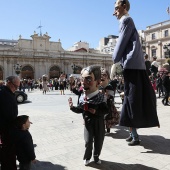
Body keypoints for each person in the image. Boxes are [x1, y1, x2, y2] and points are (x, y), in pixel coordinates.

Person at [112, 0, 160, 146]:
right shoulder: (128, 20)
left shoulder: (125, 20)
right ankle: (133, 133)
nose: (114, 12)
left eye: (116, 8)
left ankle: (134, 135)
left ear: (124, 7)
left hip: (132, 66)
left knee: (131, 100)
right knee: (130, 99)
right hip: (134, 66)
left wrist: (115, 58)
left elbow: (121, 42)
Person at [68, 65, 109, 166]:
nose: (84, 82)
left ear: (98, 82)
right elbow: (80, 110)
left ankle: (96, 156)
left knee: (99, 141)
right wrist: (72, 107)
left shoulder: (101, 98)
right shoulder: (83, 98)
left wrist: (96, 112)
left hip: (99, 123)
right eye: (82, 79)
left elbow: (106, 110)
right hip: (88, 123)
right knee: (88, 141)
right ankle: (87, 157)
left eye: (88, 79)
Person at [0, 75, 20, 170]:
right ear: (8, 83)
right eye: (15, 86)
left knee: (10, 152)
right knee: (8, 152)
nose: (16, 89)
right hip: (5, 129)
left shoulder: (9, 92)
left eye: (18, 87)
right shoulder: (2, 93)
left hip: (11, 128)